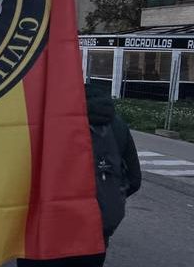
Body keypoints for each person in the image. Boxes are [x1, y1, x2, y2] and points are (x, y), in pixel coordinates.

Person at [17, 84, 142, 267]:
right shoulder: (117, 125)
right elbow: (134, 179)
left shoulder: (43, 122)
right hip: (94, 236)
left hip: (45, 233)